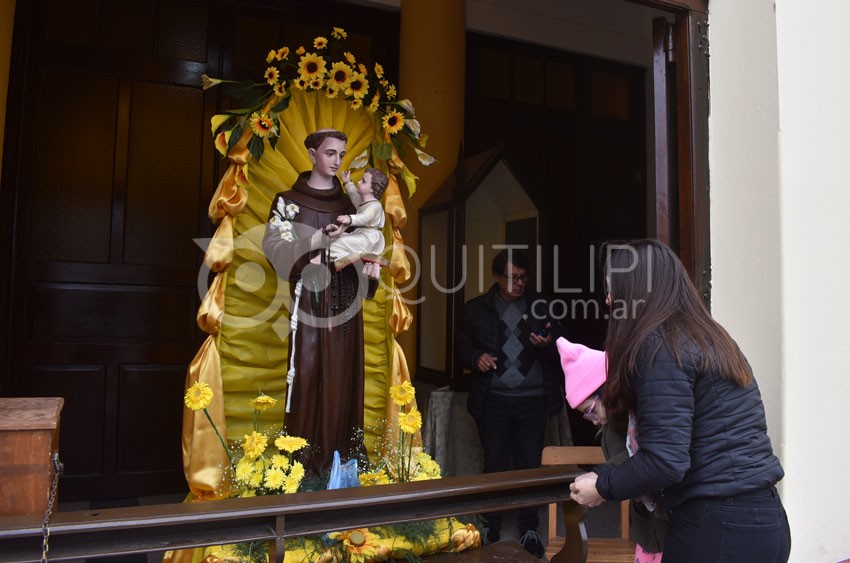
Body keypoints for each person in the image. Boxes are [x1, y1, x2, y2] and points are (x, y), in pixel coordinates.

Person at [569, 239, 791, 563]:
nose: (608, 299)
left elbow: (665, 461)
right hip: (765, 519)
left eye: (612, 289)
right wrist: (606, 474)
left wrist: (603, 486)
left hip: (719, 528)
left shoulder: (661, 346)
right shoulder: (711, 336)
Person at [262, 128, 369, 476]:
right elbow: (275, 251)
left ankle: (342, 467)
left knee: (342, 380)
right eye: (329, 153)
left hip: (345, 306)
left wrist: (369, 268)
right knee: (307, 378)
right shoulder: (287, 201)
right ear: (311, 154)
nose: (337, 161)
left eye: (341, 154)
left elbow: (370, 244)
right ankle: (302, 469)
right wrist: (317, 242)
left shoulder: (352, 205)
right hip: (308, 306)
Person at [455, 249, 564, 559]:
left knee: (529, 465)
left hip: (533, 400)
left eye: (523, 278)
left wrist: (548, 344)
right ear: (496, 277)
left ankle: (529, 528)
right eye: (512, 278)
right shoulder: (475, 309)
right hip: (493, 400)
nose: (518, 284)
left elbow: (564, 345)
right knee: (495, 464)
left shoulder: (542, 305)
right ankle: (490, 526)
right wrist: (477, 358)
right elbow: (461, 346)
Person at [557, 337, 667, 562]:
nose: (594, 420)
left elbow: (639, 461)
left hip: (666, 529)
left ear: (605, 390)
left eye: (591, 411)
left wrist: (600, 480)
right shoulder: (614, 426)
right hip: (650, 533)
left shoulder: (637, 416)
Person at [325, 167, 389, 277]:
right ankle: (346, 259)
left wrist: (349, 219)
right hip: (363, 235)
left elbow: (365, 217)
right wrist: (347, 182)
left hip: (370, 240)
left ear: (373, 189)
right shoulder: (364, 201)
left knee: (337, 245)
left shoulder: (375, 206)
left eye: (363, 181)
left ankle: (343, 262)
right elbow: (354, 195)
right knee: (334, 238)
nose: (358, 182)